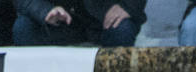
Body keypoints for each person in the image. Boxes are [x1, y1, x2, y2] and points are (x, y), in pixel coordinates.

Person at [12, 0, 143, 47]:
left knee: (122, 29)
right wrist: (45, 11)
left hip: (102, 20)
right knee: (24, 28)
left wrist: (127, 6)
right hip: (59, 22)